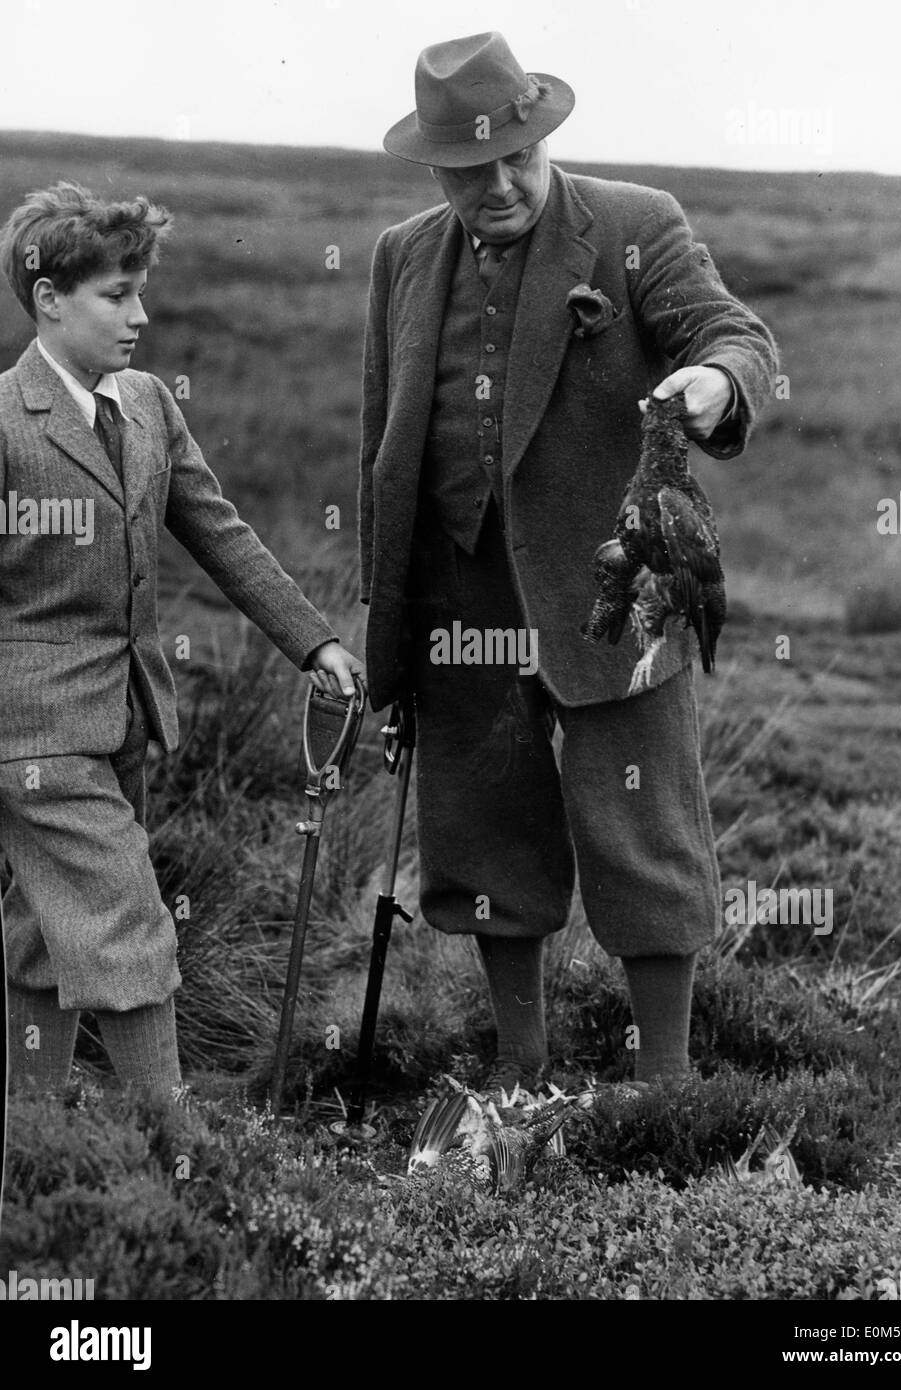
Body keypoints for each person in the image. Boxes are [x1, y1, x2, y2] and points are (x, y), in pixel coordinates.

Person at [359, 32, 778, 1093]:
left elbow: (735, 335)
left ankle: (668, 1083)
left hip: (615, 589)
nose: (497, 185)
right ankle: (518, 1071)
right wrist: (394, 630)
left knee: (642, 832)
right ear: (434, 165)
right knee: (485, 831)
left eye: (516, 158)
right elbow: (386, 449)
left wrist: (716, 384)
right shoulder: (401, 259)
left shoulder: (635, 225)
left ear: (545, 135)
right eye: (468, 167)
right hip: (462, 592)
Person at [0, 181, 363, 1096]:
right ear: (48, 297)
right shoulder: (5, 422)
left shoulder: (151, 404)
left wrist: (312, 644)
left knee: (50, 934)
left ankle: (36, 1148)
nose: (140, 316)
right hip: (33, 736)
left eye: (142, 292)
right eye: (114, 296)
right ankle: (177, 1155)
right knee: (125, 924)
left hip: (124, 719)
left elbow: (217, 530)